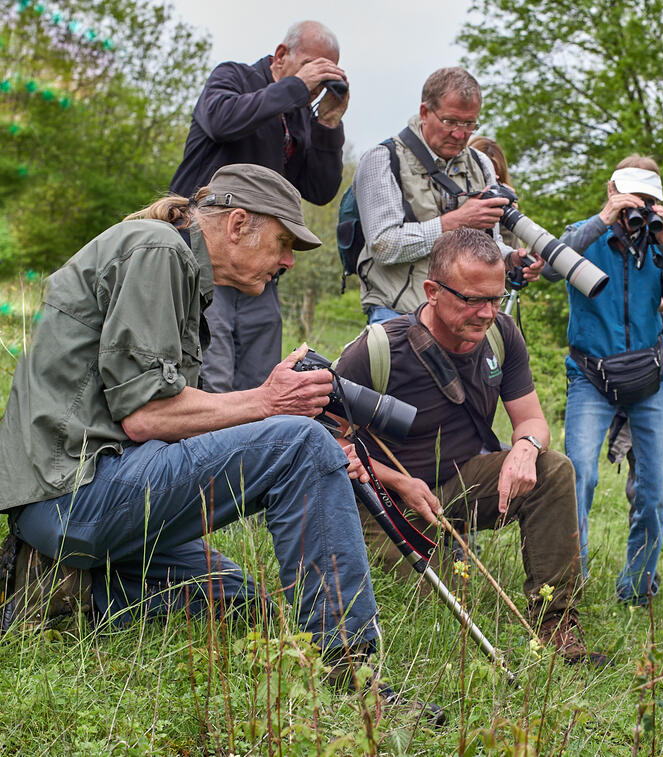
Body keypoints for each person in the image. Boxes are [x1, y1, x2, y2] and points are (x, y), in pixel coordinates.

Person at [0, 164, 441, 714]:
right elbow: (146, 416)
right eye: (283, 243)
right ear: (237, 224)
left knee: (239, 604)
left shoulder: (177, 265)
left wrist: (287, 419)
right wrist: (271, 406)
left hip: (82, 502)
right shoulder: (156, 251)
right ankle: (352, 672)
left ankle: (70, 590)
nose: (286, 261)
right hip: (78, 491)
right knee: (299, 445)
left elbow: (172, 415)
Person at [335, 227, 606, 666]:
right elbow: (326, 443)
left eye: (494, 299)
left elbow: (532, 419)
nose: (485, 313)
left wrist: (527, 447)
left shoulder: (503, 334)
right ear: (432, 291)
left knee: (554, 469)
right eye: (471, 300)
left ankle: (556, 622)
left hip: (459, 484)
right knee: (445, 610)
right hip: (384, 502)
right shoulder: (376, 350)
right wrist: (397, 482)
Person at [170, 20, 349, 392]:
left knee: (258, 383)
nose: (316, 83)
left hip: (261, 267)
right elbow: (221, 122)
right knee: (210, 376)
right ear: (281, 55)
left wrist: (328, 125)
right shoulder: (233, 77)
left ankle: (249, 450)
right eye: (313, 68)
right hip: (207, 260)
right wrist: (296, 88)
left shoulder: (300, 115)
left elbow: (319, 188)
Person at [560, 155, 663, 605]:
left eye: (647, 200)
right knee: (578, 474)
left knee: (655, 490)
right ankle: (568, 582)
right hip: (591, 374)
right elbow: (548, 266)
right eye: (628, 198)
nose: (635, 209)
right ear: (611, 190)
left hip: (650, 377)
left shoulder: (659, 246)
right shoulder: (586, 235)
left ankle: (637, 589)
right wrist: (603, 220)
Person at [353, 66, 541, 324]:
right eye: (450, 121)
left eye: (469, 124)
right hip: (398, 315)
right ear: (424, 112)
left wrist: (509, 259)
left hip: (465, 320)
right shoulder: (382, 159)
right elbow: (384, 246)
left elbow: (488, 243)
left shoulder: (482, 163)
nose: (460, 134)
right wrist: (456, 221)